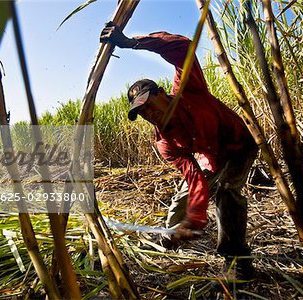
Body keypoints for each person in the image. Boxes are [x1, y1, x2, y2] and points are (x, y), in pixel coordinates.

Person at [100, 23, 258, 278]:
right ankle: (172, 237)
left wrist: (133, 42)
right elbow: (194, 178)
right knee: (182, 201)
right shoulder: (164, 142)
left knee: (227, 191)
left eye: (149, 105)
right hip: (211, 158)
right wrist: (193, 220)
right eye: (142, 113)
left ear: (161, 93)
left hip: (239, 145)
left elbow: (183, 48)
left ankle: (238, 260)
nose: (149, 114)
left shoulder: (188, 89)